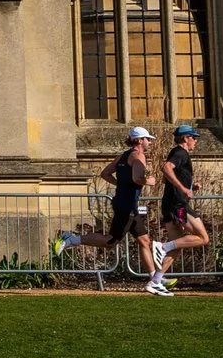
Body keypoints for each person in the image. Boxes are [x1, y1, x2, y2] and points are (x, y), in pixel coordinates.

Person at [54, 125, 151, 276]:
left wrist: (121, 184)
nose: (149, 142)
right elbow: (137, 179)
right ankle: (71, 239)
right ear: (139, 140)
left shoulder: (122, 156)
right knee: (110, 241)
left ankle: (155, 278)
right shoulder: (138, 155)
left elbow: (105, 173)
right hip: (127, 205)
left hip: (128, 203)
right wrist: (149, 180)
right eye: (147, 139)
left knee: (144, 241)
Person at [147, 123, 209, 297]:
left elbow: (171, 176)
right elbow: (166, 169)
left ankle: (156, 281)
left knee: (179, 244)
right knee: (203, 238)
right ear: (185, 138)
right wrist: (183, 189)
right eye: (193, 138)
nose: (195, 141)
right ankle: (162, 246)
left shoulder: (179, 153)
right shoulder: (180, 153)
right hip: (178, 204)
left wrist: (190, 185)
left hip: (171, 203)